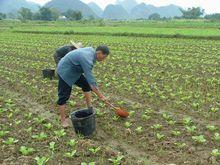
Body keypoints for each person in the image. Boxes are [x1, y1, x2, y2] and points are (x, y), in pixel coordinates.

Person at [57, 45, 110, 127]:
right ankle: (63, 120)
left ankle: (89, 108)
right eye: (104, 57)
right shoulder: (87, 59)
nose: (103, 60)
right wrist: (101, 96)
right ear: (99, 53)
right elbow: (91, 81)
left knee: (86, 85)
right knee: (64, 96)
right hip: (65, 71)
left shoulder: (91, 51)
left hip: (74, 71)